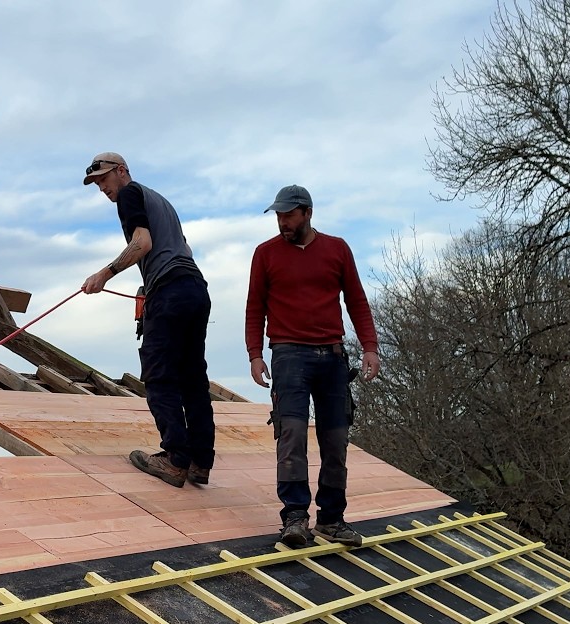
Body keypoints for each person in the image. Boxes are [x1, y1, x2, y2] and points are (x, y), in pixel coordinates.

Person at [245, 184, 380, 547]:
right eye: (278, 216)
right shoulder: (265, 254)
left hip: (333, 357)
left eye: (288, 215)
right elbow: (255, 307)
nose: (282, 222)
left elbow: (356, 301)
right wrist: (255, 354)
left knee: (336, 440)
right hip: (288, 356)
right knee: (291, 437)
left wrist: (370, 347)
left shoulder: (337, 249)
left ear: (307, 213)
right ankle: (294, 518)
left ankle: (332, 519)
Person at [80, 152, 215, 488]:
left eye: (103, 179)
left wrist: (104, 274)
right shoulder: (162, 202)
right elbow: (183, 248)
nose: (102, 188)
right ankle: (200, 462)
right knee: (193, 379)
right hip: (195, 289)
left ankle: (175, 459)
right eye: (96, 183)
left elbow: (142, 243)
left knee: (159, 374)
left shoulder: (129, 195)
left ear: (122, 171)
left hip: (169, 291)